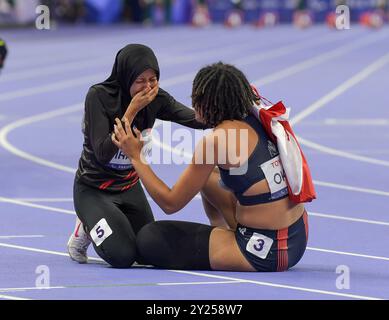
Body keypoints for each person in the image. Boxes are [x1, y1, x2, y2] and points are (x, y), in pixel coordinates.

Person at [112, 62, 313, 272]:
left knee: (150, 239)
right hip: (298, 235)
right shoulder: (255, 114)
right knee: (207, 179)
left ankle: (226, 242)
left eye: (195, 99)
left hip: (266, 252)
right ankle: (221, 234)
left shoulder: (217, 140)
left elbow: (170, 203)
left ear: (207, 103)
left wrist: (136, 156)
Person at [67, 44, 207, 268]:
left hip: (129, 187)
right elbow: (103, 152)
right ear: (126, 76)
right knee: (122, 256)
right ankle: (86, 226)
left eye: (153, 79)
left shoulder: (157, 98)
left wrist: (234, 108)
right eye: (140, 80)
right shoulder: (98, 96)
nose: (148, 87)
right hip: (93, 189)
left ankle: (104, 221)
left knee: (148, 251)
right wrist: (131, 110)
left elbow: (196, 120)